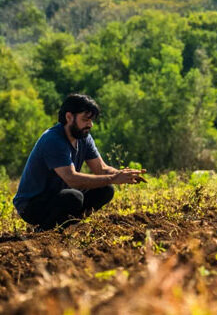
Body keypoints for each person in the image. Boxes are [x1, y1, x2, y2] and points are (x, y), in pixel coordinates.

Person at [13, 94, 146, 231]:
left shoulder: (84, 137)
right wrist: (113, 178)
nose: (90, 125)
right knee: (73, 197)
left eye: (91, 120)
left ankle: (67, 225)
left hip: (59, 196)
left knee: (105, 190)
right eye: (85, 120)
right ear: (69, 117)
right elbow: (72, 179)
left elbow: (101, 169)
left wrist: (122, 174)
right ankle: (45, 229)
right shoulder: (53, 140)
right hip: (31, 205)